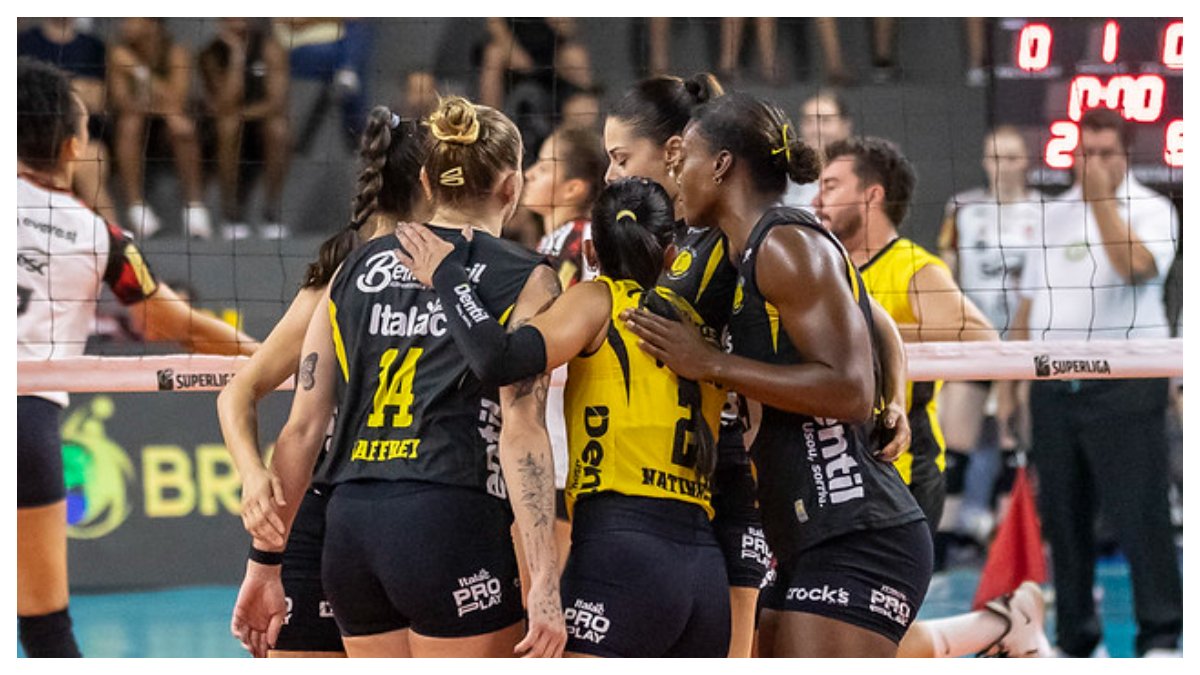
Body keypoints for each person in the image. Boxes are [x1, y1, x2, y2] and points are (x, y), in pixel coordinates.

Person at [239, 95, 566, 658]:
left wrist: (264, 565)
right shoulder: (526, 275)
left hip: (351, 530)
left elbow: (301, 431)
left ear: (427, 181)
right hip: (448, 517)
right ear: (511, 187)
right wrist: (544, 579)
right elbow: (523, 431)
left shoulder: (352, 268)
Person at [622, 92, 930, 657]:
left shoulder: (785, 242)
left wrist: (711, 363)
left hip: (856, 529)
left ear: (721, 165)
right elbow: (876, 319)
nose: (676, 175)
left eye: (685, 159)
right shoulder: (741, 252)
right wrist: (897, 398)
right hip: (803, 534)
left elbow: (850, 391)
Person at [396, 177, 731, 658]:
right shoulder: (699, 330)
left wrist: (449, 276)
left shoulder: (598, 299)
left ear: (590, 252)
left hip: (622, 552)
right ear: (672, 256)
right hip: (704, 569)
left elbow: (501, 359)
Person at [16, 57, 258, 658]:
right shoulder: (99, 236)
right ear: (73, 147)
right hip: (26, 424)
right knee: (45, 627)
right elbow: (170, 325)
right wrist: (270, 360)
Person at [814, 135, 1053, 658]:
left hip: (897, 477)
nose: (816, 199)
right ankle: (1001, 623)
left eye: (831, 186)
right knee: (818, 635)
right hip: (827, 475)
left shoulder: (912, 267)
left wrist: (876, 335)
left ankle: (998, 624)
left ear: (872, 195)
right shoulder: (823, 269)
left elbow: (982, 339)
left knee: (862, 640)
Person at [221, 107, 431, 658]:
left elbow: (244, 395)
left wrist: (253, 475)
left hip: (392, 508)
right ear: (433, 183)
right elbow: (242, 392)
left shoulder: (454, 270)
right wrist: (252, 476)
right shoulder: (347, 272)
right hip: (347, 510)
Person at [1006, 108, 1182, 658]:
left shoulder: (1153, 210)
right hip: (1055, 386)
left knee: (1140, 514)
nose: (1093, 163)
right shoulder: (1049, 215)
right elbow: (1029, 306)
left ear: (1125, 155)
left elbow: (1136, 267)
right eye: (1085, 153)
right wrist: (1009, 385)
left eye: (1105, 153)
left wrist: (1102, 198)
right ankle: (1076, 639)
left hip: (1127, 384)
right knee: (1063, 519)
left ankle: (1161, 635)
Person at [936, 126, 1045, 553]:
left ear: (1026, 162)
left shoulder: (1045, 211)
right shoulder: (962, 208)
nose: (1003, 166)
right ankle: (943, 546)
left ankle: (1009, 546)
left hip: (1023, 346)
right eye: (995, 157)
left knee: (1014, 443)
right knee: (953, 447)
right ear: (984, 161)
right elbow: (944, 273)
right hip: (974, 343)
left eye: (1012, 157)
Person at [108, 18, 213, 239]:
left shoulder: (175, 53)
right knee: (130, 123)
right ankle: (136, 208)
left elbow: (177, 98)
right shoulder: (118, 54)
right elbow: (122, 101)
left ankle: (195, 209)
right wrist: (166, 110)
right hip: (132, 130)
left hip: (166, 130)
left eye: (131, 19)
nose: (124, 25)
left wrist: (138, 71)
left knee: (183, 130)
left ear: (152, 24)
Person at [17, 18, 119, 227]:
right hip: (27, 139)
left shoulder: (92, 45)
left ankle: (115, 237)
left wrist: (46, 90)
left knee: (89, 161)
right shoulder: (23, 41)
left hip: (76, 138)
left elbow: (97, 99)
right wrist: (72, 87)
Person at [198, 18, 291, 240]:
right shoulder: (211, 54)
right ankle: (231, 213)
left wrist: (242, 114)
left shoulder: (270, 49)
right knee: (228, 127)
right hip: (219, 131)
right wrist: (237, 57)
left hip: (260, 123)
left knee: (278, 129)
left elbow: (277, 102)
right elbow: (224, 103)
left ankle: (270, 210)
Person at [781, 90, 853, 210]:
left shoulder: (862, 178)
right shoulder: (784, 180)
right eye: (809, 121)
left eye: (826, 121)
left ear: (845, 126)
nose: (816, 129)